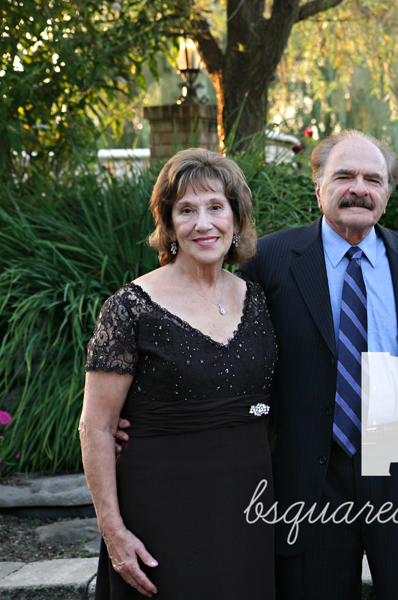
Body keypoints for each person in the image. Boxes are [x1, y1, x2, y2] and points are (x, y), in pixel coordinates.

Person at [236, 130, 398, 599]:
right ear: (318, 187)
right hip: (309, 469)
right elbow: (234, 358)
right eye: (344, 176)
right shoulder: (268, 261)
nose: (359, 189)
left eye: (373, 179)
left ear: (387, 195)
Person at [80, 148, 276, 599]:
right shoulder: (130, 307)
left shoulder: (258, 299)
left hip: (249, 508)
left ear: (236, 218)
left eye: (215, 207)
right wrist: (113, 532)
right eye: (186, 210)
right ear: (168, 225)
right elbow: (96, 427)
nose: (203, 224)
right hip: (161, 512)